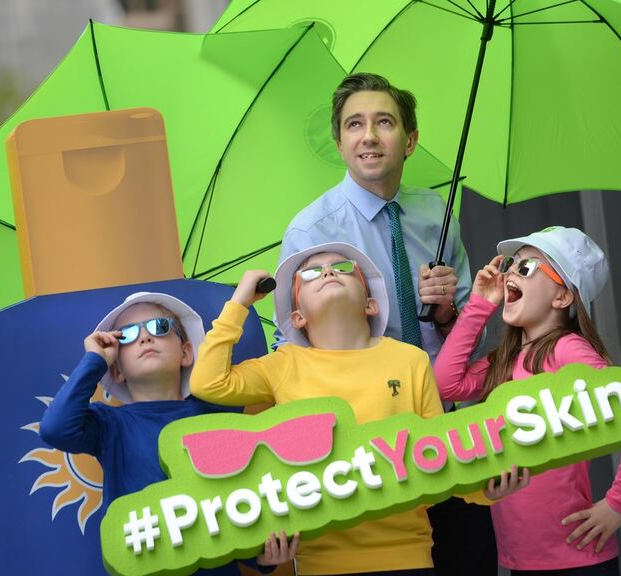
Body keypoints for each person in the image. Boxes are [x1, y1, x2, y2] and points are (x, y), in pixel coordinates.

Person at [191, 242, 528, 576]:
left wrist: (485, 492)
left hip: (407, 554)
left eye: (342, 268)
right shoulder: (282, 365)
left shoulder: (409, 359)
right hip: (321, 563)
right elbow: (208, 383)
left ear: (370, 304)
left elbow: (439, 455)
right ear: (297, 316)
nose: (326, 272)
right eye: (309, 274)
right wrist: (239, 303)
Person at [279, 72, 494, 573]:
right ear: (339, 143)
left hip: (447, 423)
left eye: (384, 122)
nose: (369, 136)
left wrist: (446, 312)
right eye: (355, 124)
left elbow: (471, 332)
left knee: (470, 557)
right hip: (373, 441)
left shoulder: (436, 214)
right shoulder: (312, 230)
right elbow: (291, 340)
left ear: (410, 140)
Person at [434, 226, 621, 575]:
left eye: (526, 268)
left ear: (562, 298)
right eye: (511, 263)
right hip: (520, 559)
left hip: (577, 559)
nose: (509, 271)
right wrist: (480, 304)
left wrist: (618, 504)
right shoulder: (505, 360)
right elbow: (446, 383)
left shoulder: (566, 349)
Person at [39, 292, 297, 574]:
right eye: (125, 335)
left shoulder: (216, 411)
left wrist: (258, 557)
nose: (145, 338)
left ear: (186, 353)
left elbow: (230, 497)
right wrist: (95, 359)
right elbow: (55, 428)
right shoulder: (109, 424)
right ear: (117, 371)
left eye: (159, 327)